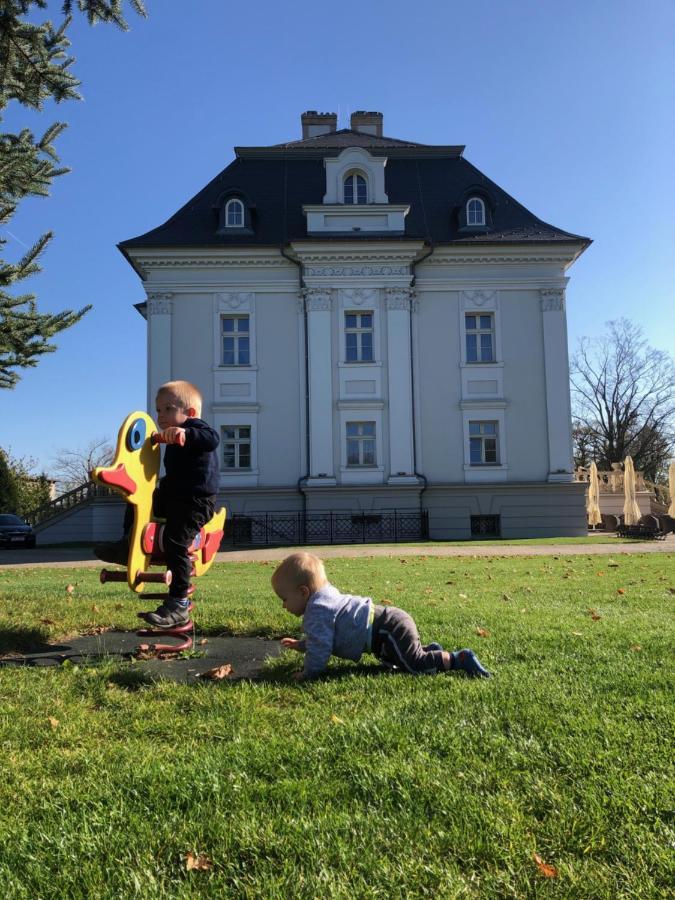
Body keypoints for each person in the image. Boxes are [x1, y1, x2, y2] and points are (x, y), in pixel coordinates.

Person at [95, 380, 220, 628]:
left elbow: (211, 439)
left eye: (168, 409)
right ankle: (127, 543)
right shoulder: (167, 436)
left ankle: (178, 604)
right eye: (158, 409)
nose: (160, 415)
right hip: (172, 497)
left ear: (190, 413)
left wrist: (186, 433)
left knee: (176, 541)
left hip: (196, 502)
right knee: (137, 502)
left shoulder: (198, 429)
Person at [272, 551, 491, 681]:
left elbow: (321, 647)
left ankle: (458, 659)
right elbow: (324, 637)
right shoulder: (325, 597)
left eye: (284, 598)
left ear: (303, 592)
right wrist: (301, 645)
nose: (283, 606)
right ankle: (429, 651)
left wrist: (308, 673)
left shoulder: (316, 610)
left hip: (388, 630)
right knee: (402, 659)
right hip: (388, 625)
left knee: (414, 666)